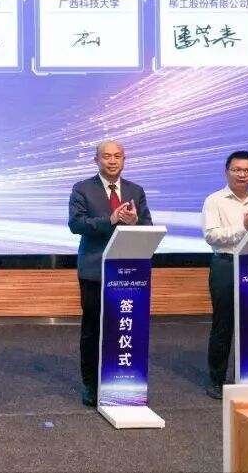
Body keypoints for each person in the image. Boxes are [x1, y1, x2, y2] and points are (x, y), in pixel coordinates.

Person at [68, 139, 152, 407]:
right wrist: (111, 220)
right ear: (97, 160)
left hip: (128, 272)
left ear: (124, 160)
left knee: (124, 326)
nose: (112, 161)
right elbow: (76, 224)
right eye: (107, 156)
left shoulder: (135, 190)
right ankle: (91, 385)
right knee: (92, 329)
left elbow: (147, 226)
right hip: (95, 269)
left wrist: (134, 223)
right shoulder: (82, 188)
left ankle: (121, 379)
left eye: (118, 156)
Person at [202, 150, 248, 400]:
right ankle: (217, 380)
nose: (242, 175)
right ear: (227, 172)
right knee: (223, 324)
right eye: (237, 170)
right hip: (226, 264)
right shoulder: (214, 200)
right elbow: (211, 236)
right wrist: (243, 227)